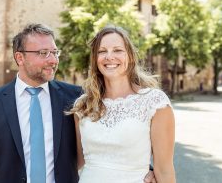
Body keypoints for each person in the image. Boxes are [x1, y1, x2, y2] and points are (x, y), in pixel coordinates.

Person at [0, 24, 157, 183]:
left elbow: (111, 134)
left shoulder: (76, 98)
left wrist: (143, 169)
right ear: (20, 58)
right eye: (43, 53)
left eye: (54, 52)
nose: (53, 60)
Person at [70, 26, 175, 183]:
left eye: (118, 50)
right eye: (102, 51)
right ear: (95, 59)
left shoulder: (155, 103)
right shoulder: (83, 105)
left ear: (130, 56)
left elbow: (164, 170)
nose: (109, 56)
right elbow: (75, 162)